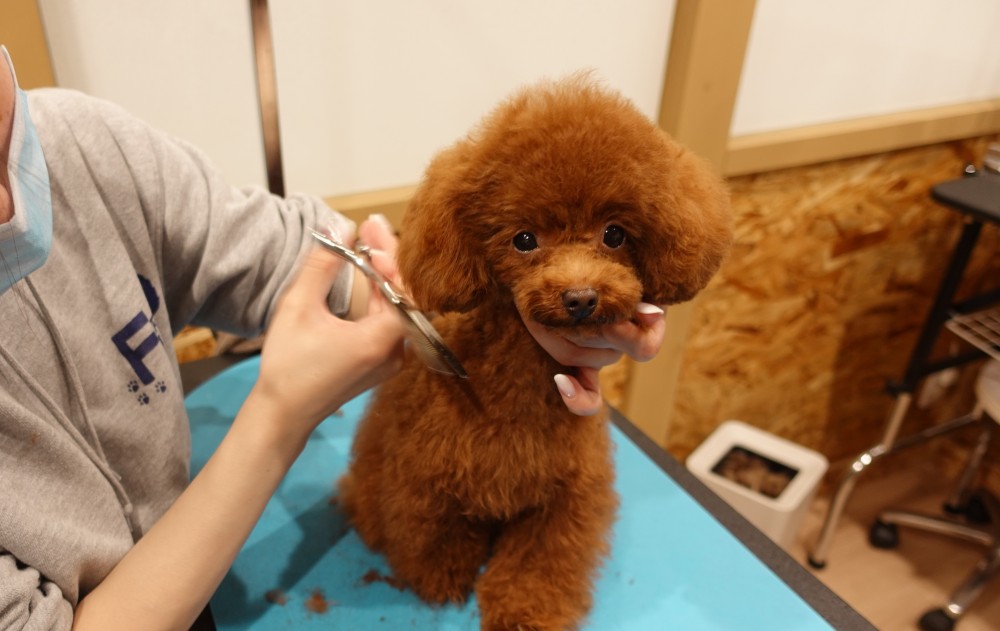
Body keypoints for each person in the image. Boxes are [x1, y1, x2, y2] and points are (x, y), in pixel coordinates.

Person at [0, 45, 666, 631]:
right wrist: (280, 415)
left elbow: (286, 255)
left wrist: (474, 303)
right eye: (527, 240)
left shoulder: (88, 145)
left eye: (610, 236)